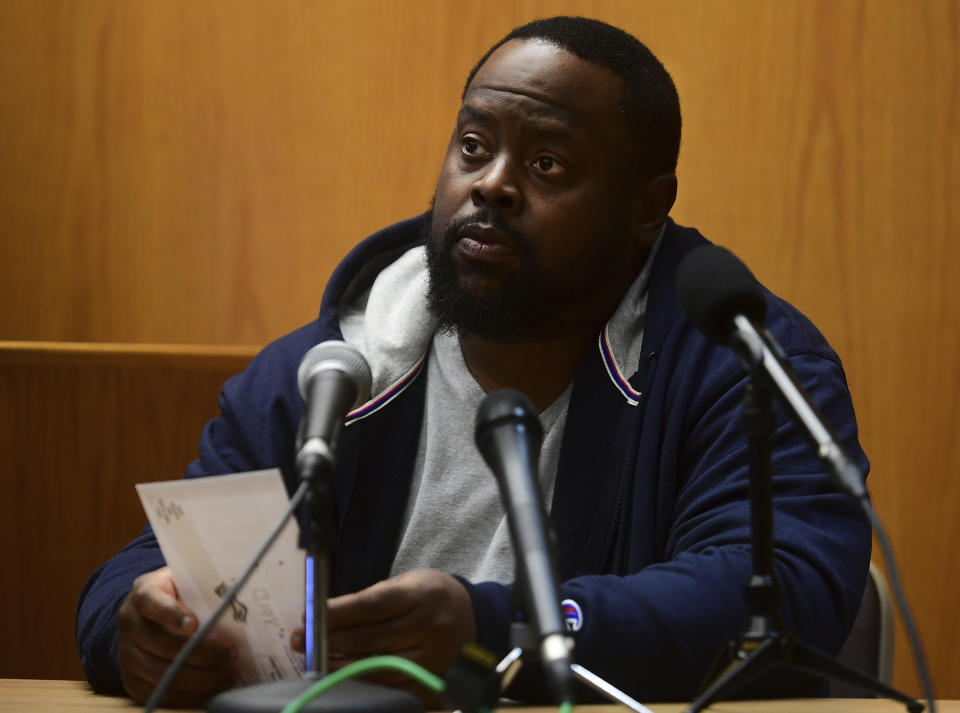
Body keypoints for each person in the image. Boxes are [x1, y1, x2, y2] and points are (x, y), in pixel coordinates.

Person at [76, 16, 871, 707]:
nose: (491, 185)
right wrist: (139, 627)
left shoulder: (737, 364)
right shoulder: (329, 370)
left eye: (547, 164)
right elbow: (147, 568)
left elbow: (784, 589)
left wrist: (496, 628)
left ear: (646, 208)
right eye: (474, 146)